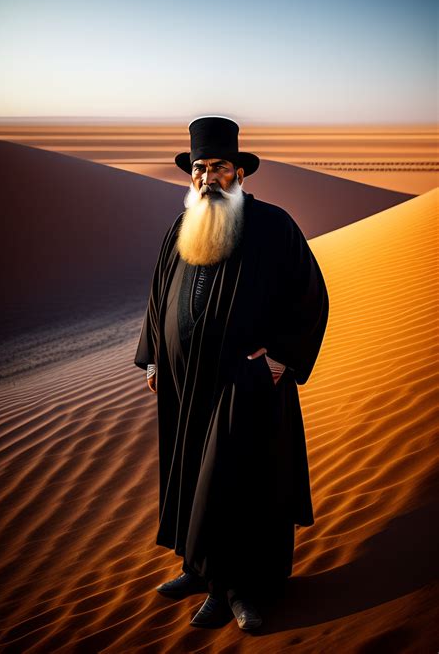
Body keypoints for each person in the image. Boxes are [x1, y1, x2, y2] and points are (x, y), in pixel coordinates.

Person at [134, 116, 329, 630]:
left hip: (246, 385)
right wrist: (155, 356)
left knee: (240, 484)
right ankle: (199, 571)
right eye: (198, 168)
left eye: (218, 167)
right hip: (185, 383)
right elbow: (159, 295)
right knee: (194, 476)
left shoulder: (273, 226)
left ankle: (240, 589)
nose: (206, 178)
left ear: (239, 172)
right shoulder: (181, 226)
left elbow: (311, 295)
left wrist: (283, 354)